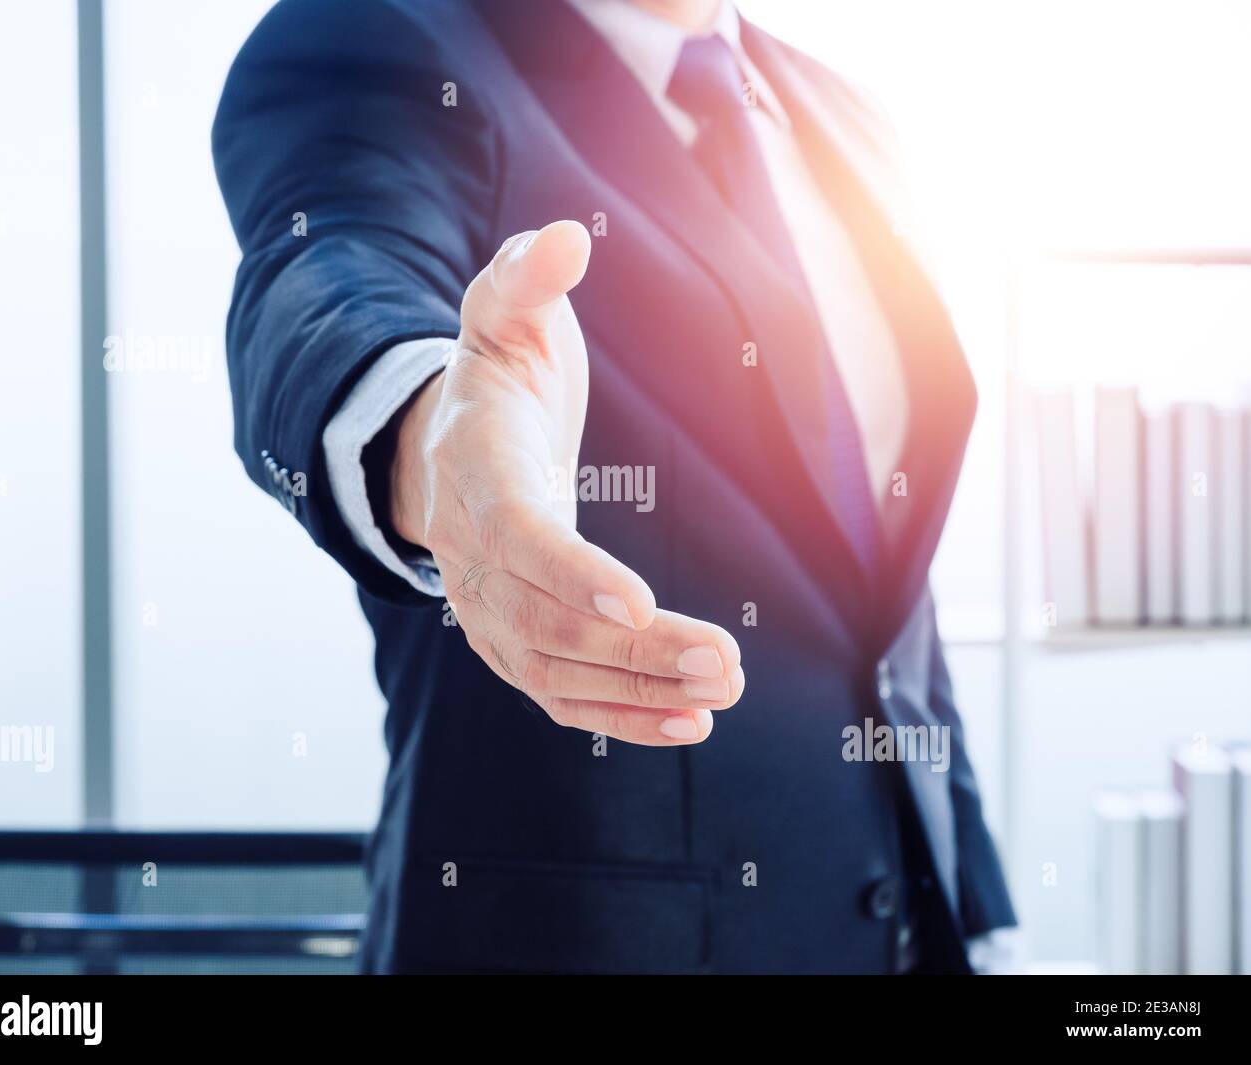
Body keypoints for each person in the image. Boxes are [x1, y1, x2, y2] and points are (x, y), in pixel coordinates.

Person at [213, 0, 1018, 973]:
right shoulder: (388, 37)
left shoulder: (844, 114)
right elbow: (332, 265)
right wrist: (432, 436)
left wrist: (975, 910)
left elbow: (885, 586)